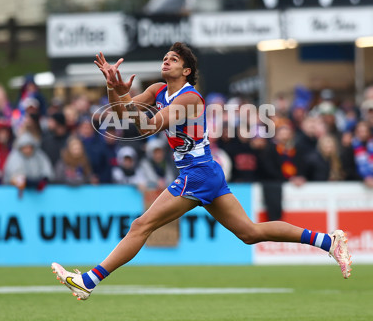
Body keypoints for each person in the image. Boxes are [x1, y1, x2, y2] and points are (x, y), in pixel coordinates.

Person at [51, 42, 352, 301]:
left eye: (174, 59)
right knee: (250, 233)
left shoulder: (190, 98)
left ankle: (88, 281)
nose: (166, 59)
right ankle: (328, 241)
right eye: (166, 56)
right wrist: (113, 89)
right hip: (205, 171)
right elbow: (120, 117)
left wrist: (125, 98)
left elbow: (147, 125)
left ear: (186, 72)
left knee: (141, 225)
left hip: (197, 173)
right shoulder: (158, 90)